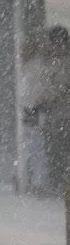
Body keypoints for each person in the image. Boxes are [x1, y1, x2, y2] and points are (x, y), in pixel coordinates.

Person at [26, 25, 70, 196]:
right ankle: (59, 186)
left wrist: (40, 102)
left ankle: (60, 186)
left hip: (62, 117)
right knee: (53, 152)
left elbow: (59, 88)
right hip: (55, 117)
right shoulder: (51, 62)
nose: (51, 47)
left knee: (59, 152)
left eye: (53, 44)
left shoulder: (64, 64)